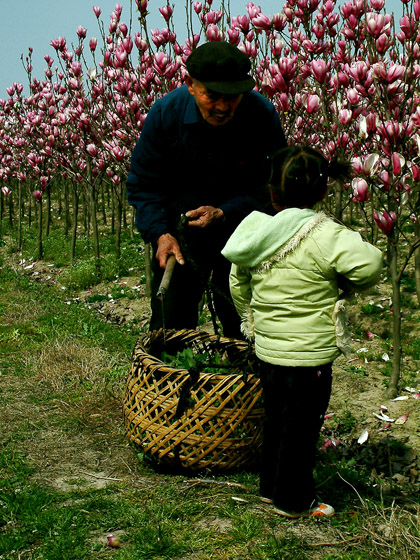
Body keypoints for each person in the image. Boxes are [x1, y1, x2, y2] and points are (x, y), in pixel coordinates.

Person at [222, 146, 383, 517]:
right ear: (324, 191)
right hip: (309, 357)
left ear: (271, 191)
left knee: (276, 420)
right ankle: (294, 500)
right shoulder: (324, 234)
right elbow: (370, 265)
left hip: (269, 352)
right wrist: (343, 282)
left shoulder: (257, 231)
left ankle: (270, 488)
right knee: (302, 428)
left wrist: (252, 316)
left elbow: (237, 282)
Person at [127, 41, 287, 338]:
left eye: (233, 97)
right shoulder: (166, 115)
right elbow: (143, 184)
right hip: (180, 234)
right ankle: (168, 381)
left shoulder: (260, 114)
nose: (223, 107)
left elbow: (276, 184)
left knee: (245, 326)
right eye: (212, 95)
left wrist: (226, 212)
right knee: (170, 325)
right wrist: (160, 233)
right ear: (190, 84)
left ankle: (241, 381)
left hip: (244, 231)